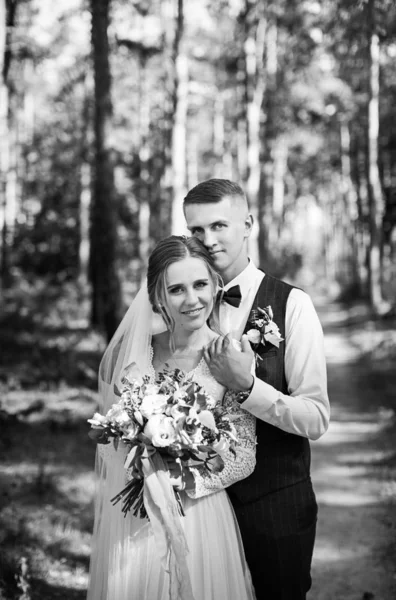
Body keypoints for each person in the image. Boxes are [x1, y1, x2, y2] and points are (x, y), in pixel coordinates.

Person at [86, 235, 257, 600]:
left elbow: (243, 456)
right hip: (136, 519)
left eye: (199, 284)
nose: (191, 299)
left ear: (215, 284)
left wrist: (176, 482)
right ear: (157, 296)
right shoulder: (134, 355)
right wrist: (139, 466)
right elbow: (107, 441)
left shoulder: (231, 355)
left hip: (199, 519)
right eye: (176, 289)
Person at [183, 178, 330, 600]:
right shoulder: (181, 308)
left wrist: (247, 386)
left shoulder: (293, 306)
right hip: (201, 509)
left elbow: (316, 418)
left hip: (276, 506)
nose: (208, 240)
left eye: (219, 226)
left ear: (247, 224)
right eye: (196, 230)